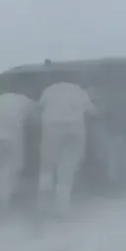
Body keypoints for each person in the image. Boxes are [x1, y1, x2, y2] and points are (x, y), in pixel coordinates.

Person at [38, 80, 95, 216]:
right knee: (67, 168)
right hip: (74, 129)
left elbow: (38, 108)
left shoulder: (49, 89)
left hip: (51, 128)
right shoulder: (79, 90)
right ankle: (61, 209)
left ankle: (43, 205)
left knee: (47, 167)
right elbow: (91, 111)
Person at [0, 91, 36, 212]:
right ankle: (4, 202)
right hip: (11, 139)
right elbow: (36, 117)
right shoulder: (25, 100)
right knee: (12, 168)